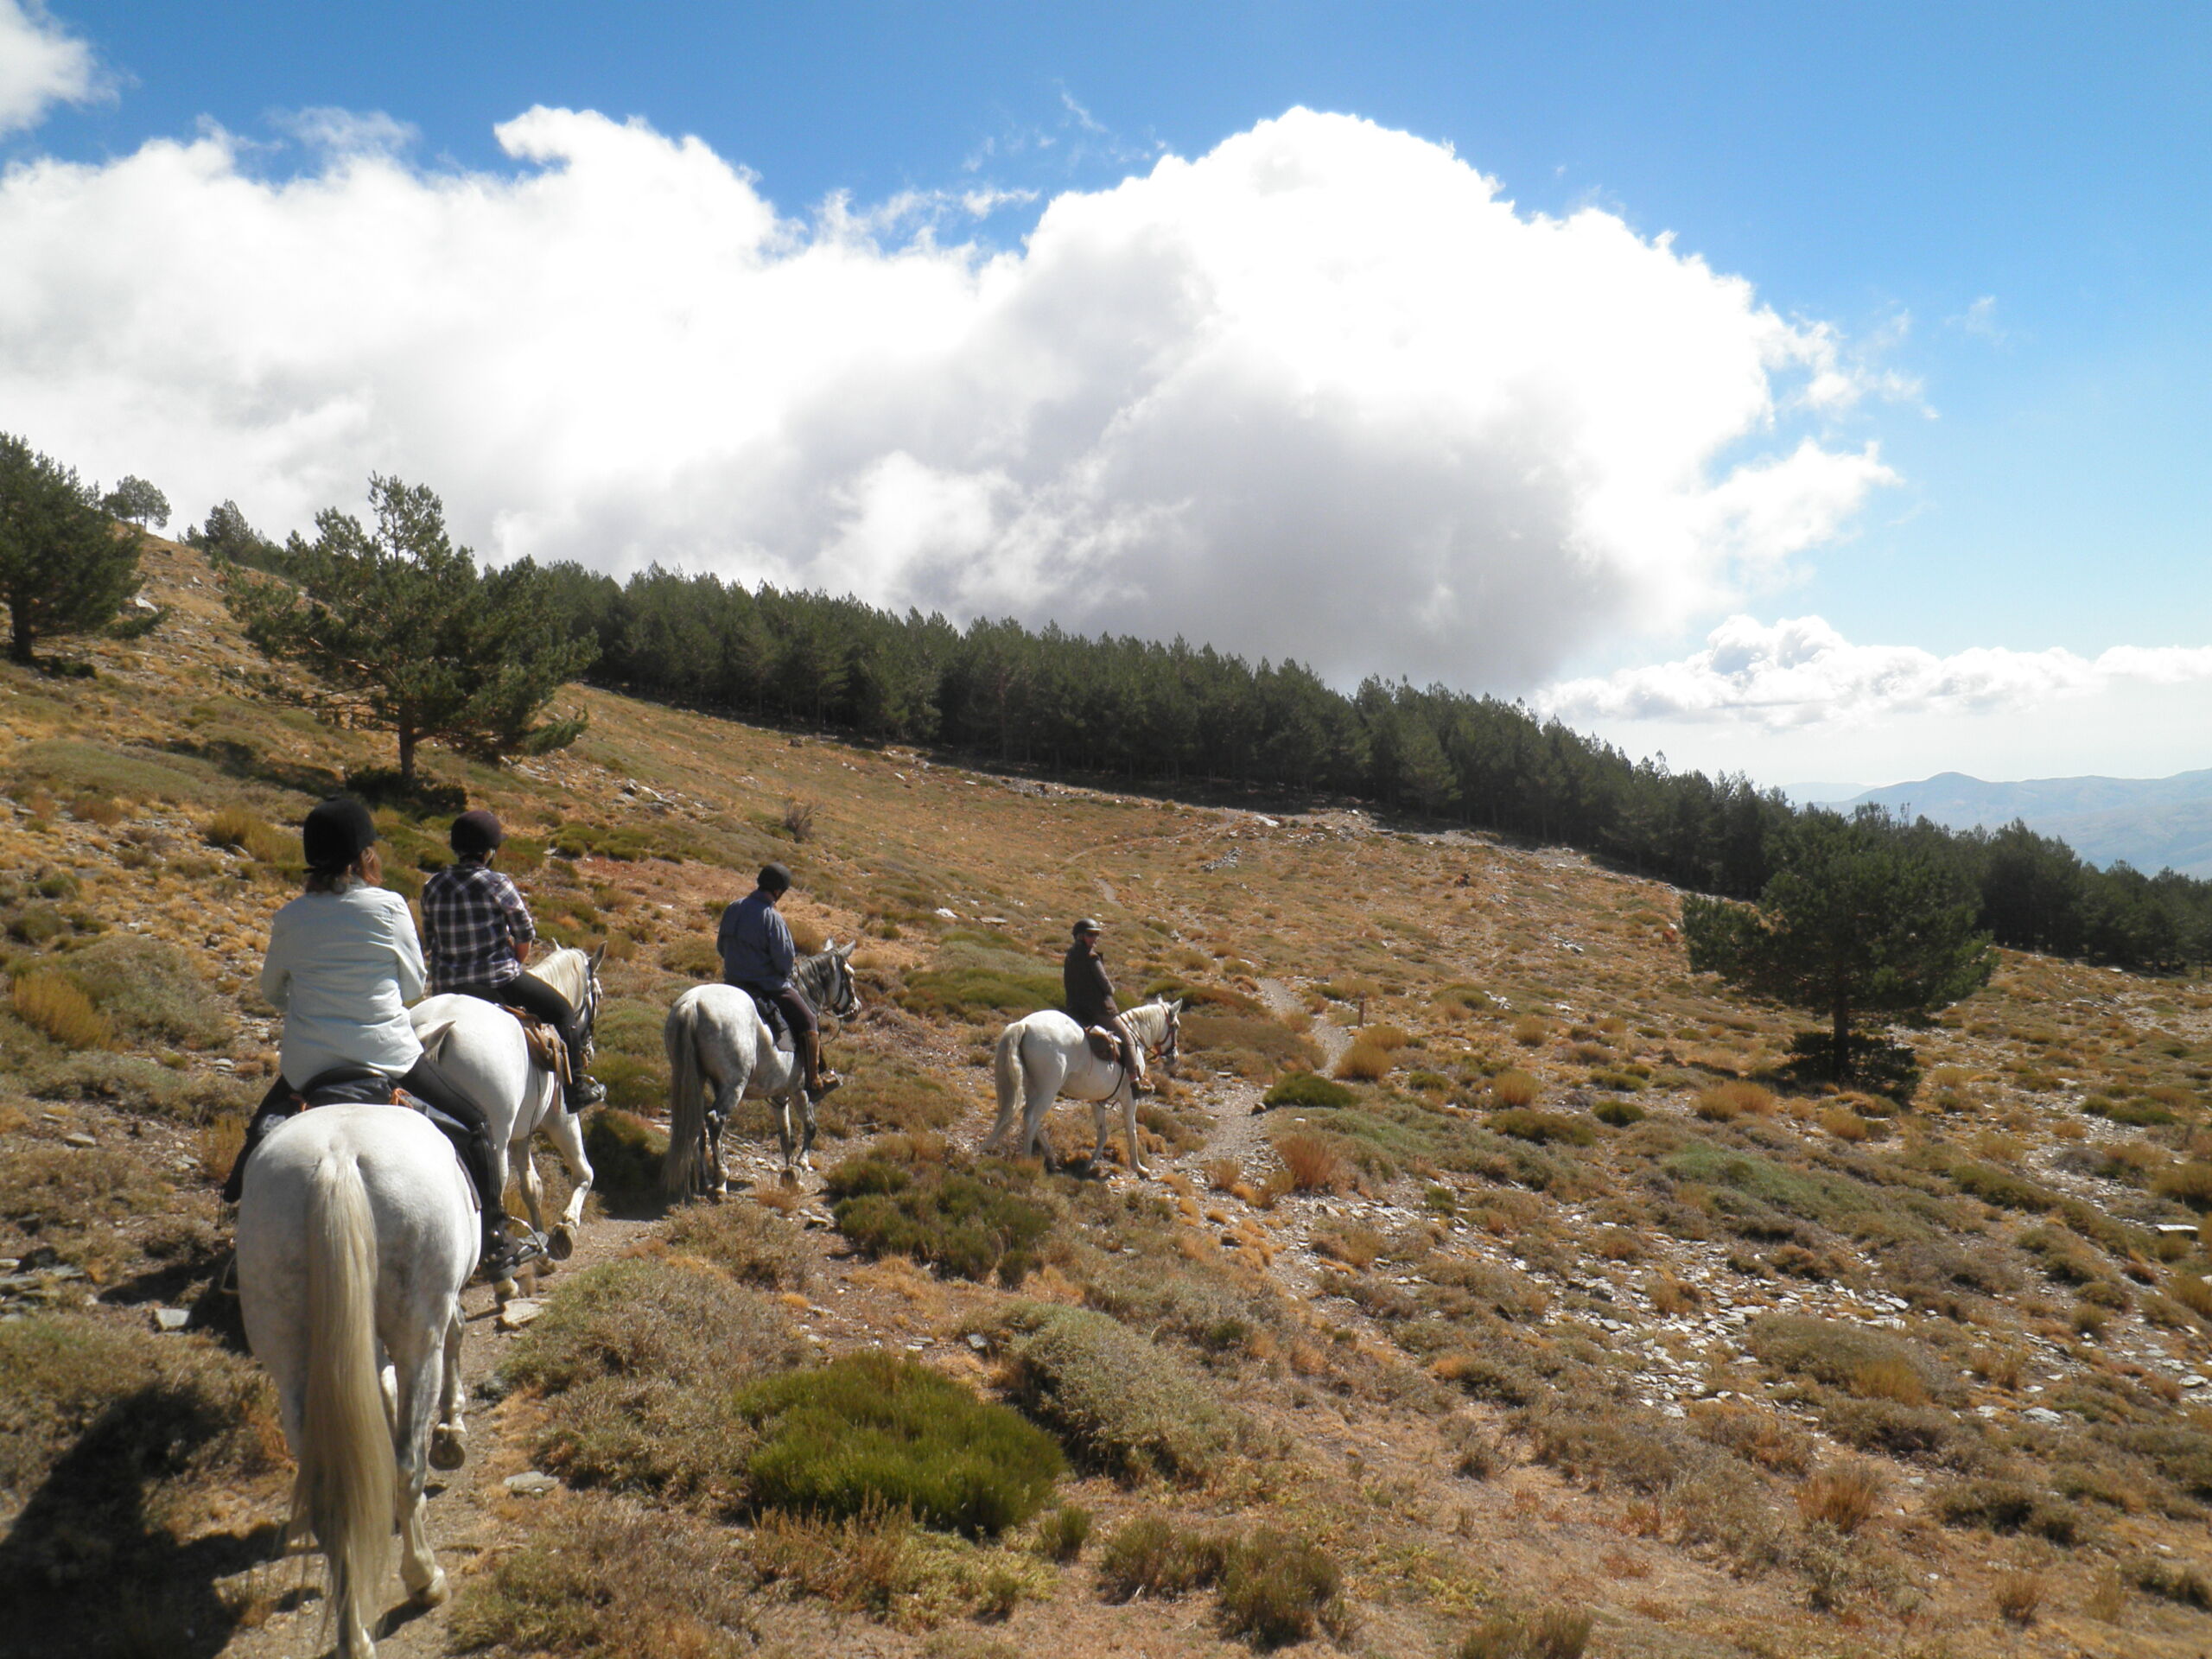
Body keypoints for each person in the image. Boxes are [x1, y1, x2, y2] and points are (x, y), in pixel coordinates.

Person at [223, 796, 538, 1281]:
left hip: (308, 1065)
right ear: (363, 856)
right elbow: (414, 985)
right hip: (388, 1057)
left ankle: (235, 1239)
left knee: (258, 1136)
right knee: (475, 1124)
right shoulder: (389, 906)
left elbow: (271, 990)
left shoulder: (290, 916)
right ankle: (496, 1235)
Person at [422, 809, 602, 1111]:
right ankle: (576, 1091)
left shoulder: (432, 886)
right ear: (490, 851)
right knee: (562, 1012)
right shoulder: (497, 883)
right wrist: (517, 958)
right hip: (497, 979)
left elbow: (431, 938)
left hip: (446, 985)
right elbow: (524, 934)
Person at [718, 862, 841, 1098]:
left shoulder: (733, 908)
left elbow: (721, 947)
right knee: (808, 1018)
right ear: (779, 891)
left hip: (732, 982)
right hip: (767, 986)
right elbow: (785, 962)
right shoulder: (772, 918)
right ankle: (815, 1083)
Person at [1063, 918, 1139, 1077]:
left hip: (1074, 1009)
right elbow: (1105, 984)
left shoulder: (1069, 956)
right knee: (1128, 1039)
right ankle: (1134, 1080)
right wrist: (1111, 989)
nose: (1095, 939)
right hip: (1098, 1011)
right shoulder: (1092, 958)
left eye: (1096, 935)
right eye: (1091, 935)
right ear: (1080, 936)